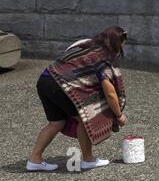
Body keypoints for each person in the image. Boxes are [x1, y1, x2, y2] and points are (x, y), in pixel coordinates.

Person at [26, 26, 128, 171]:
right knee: (84, 120)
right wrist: (119, 115)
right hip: (60, 86)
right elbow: (110, 92)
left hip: (45, 79)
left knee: (56, 123)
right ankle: (88, 160)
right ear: (117, 43)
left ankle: (34, 160)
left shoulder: (86, 44)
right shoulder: (103, 59)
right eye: (123, 43)